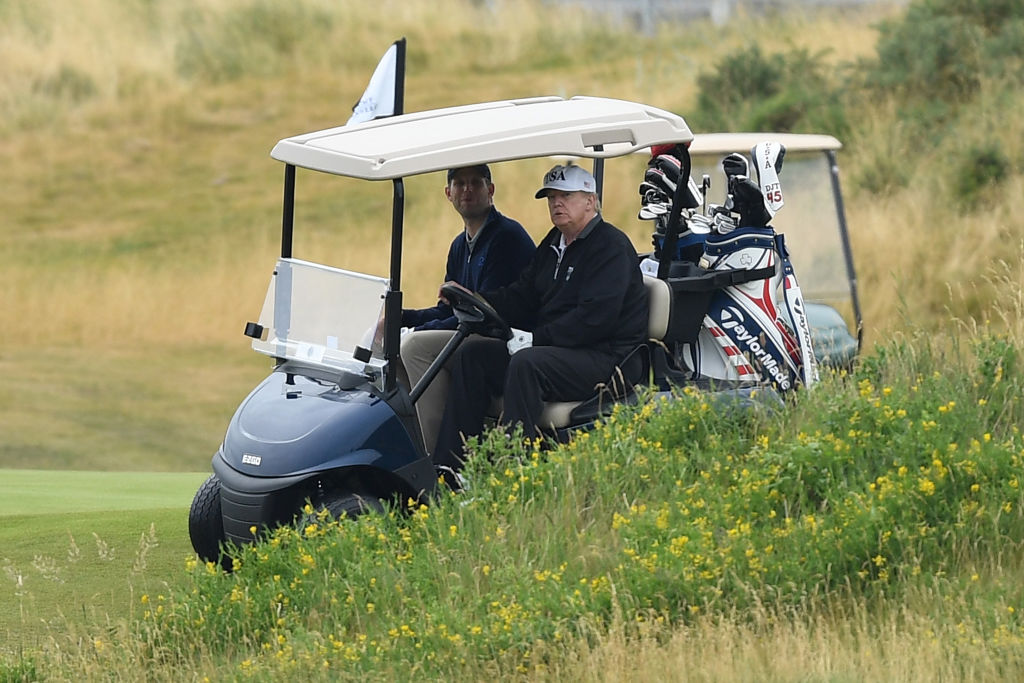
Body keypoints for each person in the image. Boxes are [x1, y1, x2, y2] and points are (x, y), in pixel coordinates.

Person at [433, 164, 649, 478]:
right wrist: (481, 299)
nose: (556, 204)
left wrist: (537, 339)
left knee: (526, 363)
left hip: (609, 358)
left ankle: (512, 472)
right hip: (563, 351)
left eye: (566, 196)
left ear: (590, 201)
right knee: (473, 356)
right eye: (551, 197)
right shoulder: (553, 244)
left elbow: (594, 321)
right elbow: (524, 295)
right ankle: (451, 469)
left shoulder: (610, 248)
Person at [397, 165, 534, 456]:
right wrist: (404, 318)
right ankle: (408, 443)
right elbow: (447, 310)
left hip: (507, 341)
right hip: (475, 333)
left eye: (476, 183)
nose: (467, 190)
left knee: (415, 347)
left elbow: (482, 315)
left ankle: (434, 455)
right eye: (459, 184)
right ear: (448, 194)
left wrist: (418, 331)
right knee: (396, 345)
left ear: (491, 190)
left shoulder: (506, 238)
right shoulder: (460, 246)